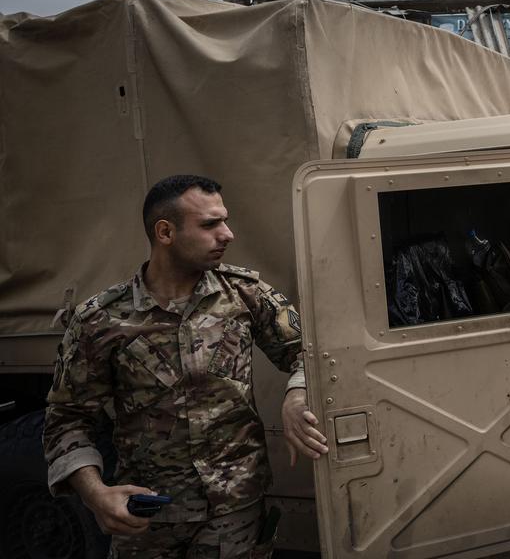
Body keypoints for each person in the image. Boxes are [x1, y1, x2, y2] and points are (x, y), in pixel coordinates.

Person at [43, 174, 329, 558]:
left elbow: (313, 353)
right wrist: (95, 495)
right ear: (165, 232)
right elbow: (67, 418)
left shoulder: (245, 294)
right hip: (149, 516)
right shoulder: (101, 320)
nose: (227, 234)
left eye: (224, 220)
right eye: (210, 224)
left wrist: (297, 393)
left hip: (236, 511)